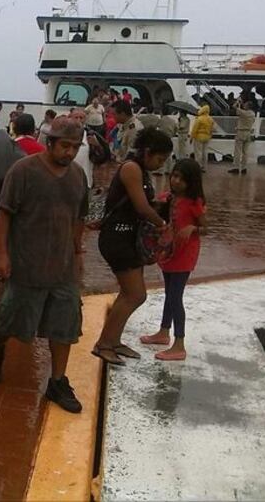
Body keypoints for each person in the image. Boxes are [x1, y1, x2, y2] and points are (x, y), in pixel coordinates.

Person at [0, 116, 89, 414]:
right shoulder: (23, 171)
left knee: (65, 325)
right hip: (27, 263)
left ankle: (57, 380)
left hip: (63, 265)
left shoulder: (79, 176)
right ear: (50, 143)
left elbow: (79, 217)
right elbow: (3, 213)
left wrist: (78, 253)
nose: (69, 152)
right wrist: (1, 254)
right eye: (64, 146)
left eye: (75, 147)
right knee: (12, 319)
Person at [93, 128, 173, 366]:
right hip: (117, 238)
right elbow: (141, 207)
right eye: (159, 159)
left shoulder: (141, 170)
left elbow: (143, 203)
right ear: (148, 152)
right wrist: (162, 224)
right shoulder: (131, 169)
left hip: (128, 237)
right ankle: (104, 344)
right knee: (136, 294)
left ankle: (112, 340)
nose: (160, 164)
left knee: (130, 294)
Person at [140, 159, 207, 361]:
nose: (175, 181)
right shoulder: (170, 198)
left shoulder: (195, 203)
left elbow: (207, 228)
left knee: (175, 297)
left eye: (181, 178)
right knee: (169, 293)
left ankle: (179, 344)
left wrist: (193, 228)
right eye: (174, 176)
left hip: (185, 255)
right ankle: (163, 331)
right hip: (170, 252)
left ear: (191, 182)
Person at [229, 100, 256, 175]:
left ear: (248, 106)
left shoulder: (243, 113)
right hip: (248, 132)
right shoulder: (253, 114)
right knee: (245, 152)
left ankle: (236, 167)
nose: (244, 105)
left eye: (246, 104)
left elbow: (234, 107)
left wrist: (238, 103)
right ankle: (244, 168)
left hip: (241, 131)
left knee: (237, 151)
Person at [190, 102, 214, 172]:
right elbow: (212, 129)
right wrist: (210, 136)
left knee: (198, 153)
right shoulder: (210, 119)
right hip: (207, 137)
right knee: (205, 152)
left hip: (199, 137)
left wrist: (191, 137)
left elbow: (195, 129)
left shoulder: (199, 119)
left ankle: (198, 166)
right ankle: (204, 167)